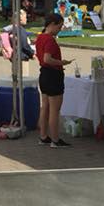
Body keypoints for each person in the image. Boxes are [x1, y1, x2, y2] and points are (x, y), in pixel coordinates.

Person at [35, 13, 73, 148]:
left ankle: (43, 136)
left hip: (44, 75)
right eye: (59, 26)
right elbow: (47, 58)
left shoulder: (40, 37)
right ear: (52, 25)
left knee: (45, 106)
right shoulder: (50, 40)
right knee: (54, 110)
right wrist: (61, 62)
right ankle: (55, 139)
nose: (60, 29)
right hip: (52, 75)